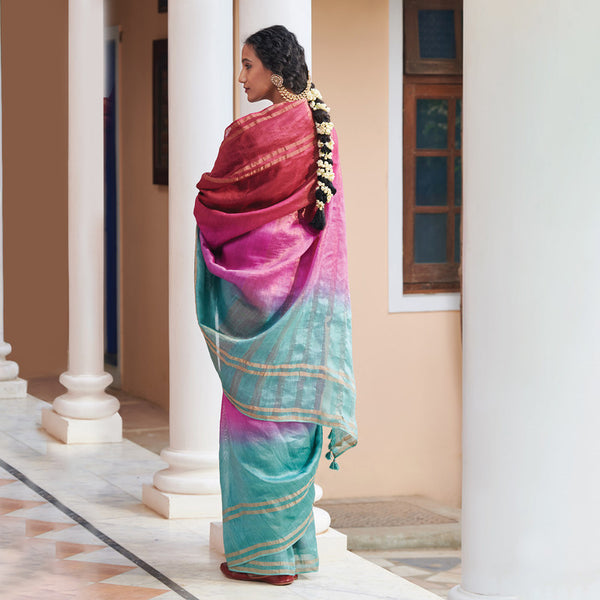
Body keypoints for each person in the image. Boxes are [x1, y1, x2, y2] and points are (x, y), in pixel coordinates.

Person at [194, 25, 357, 586]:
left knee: (251, 418)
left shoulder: (248, 135)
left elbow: (214, 204)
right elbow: (315, 226)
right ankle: (293, 554)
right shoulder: (318, 126)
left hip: (253, 304)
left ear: (274, 70)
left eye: (248, 66)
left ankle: (262, 560)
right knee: (289, 417)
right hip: (303, 305)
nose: (241, 77)